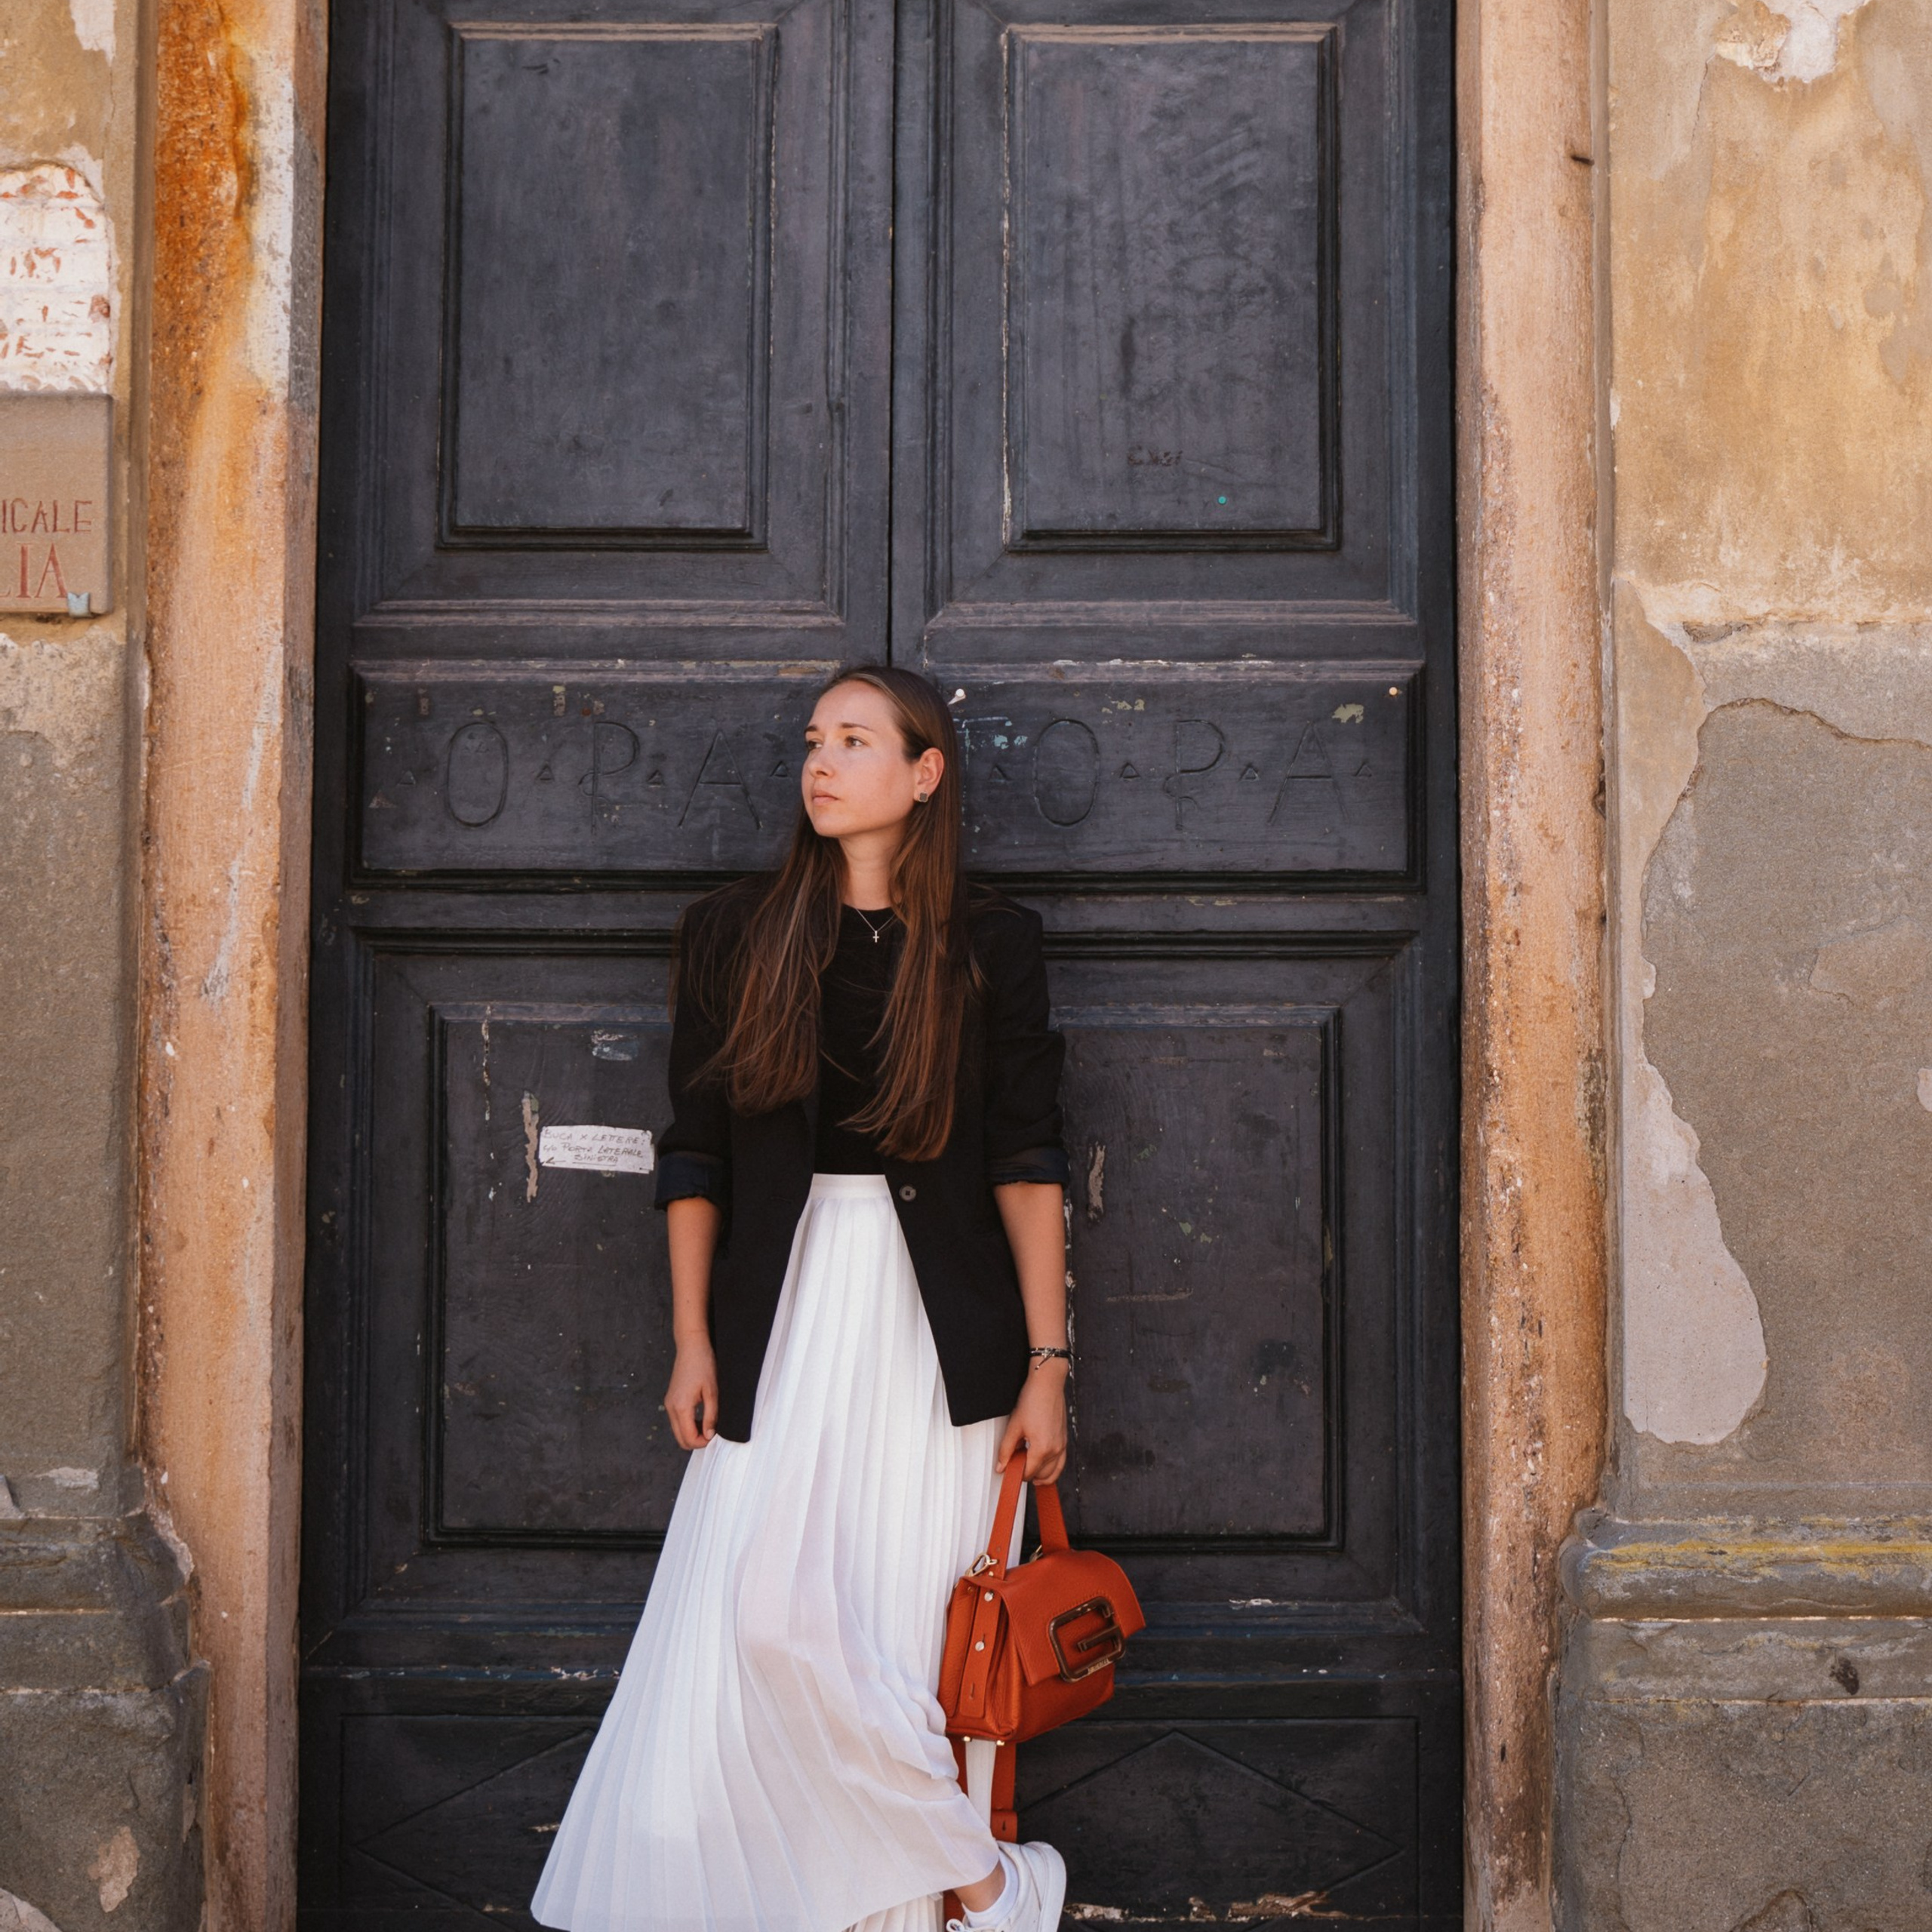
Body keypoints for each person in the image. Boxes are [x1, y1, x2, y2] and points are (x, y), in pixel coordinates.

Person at [532, 666, 1074, 1932]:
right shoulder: (738, 931)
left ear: (924, 771)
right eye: (812, 741)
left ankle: (911, 1914)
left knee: (900, 1637)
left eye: (853, 740)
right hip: (783, 1316)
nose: (820, 763)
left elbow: (1028, 1157)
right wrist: (688, 1338)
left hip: (938, 1335)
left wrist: (1049, 1359)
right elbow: (697, 1152)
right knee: (769, 1621)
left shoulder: (994, 945)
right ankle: (994, 1887)